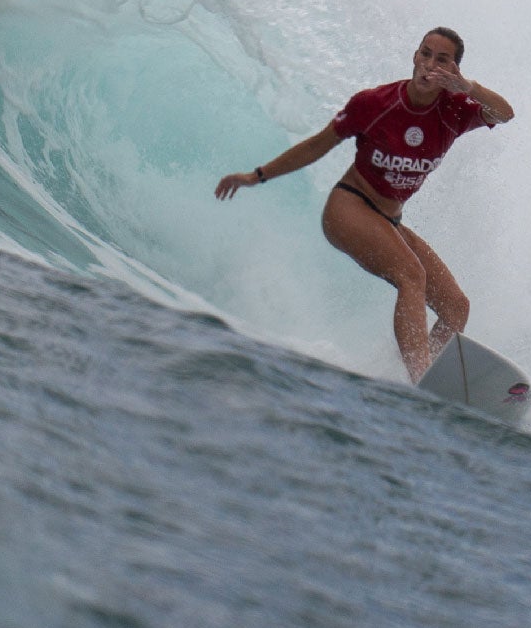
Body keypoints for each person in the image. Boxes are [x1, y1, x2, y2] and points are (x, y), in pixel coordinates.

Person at [215, 28, 514, 381]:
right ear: (414, 57)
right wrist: (256, 175)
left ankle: (423, 377)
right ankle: (419, 376)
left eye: (442, 59)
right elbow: (317, 145)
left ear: (454, 70)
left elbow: (505, 113)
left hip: (390, 220)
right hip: (349, 206)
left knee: (455, 308)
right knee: (411, 274)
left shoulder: (456, 110)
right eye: (425, 54)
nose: (430, 65)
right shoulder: (375, 103)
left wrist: (468, 88)